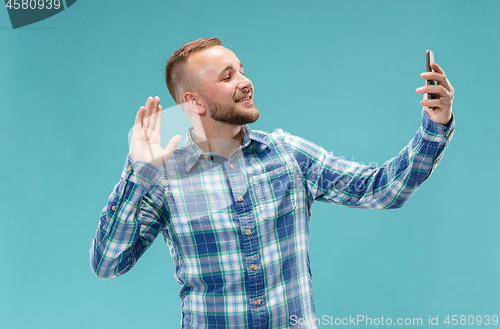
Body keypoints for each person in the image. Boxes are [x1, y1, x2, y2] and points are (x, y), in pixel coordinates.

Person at [90, 38, 455, 328]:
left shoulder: (286, 154)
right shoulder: (165, 175)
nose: (246, 82)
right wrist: (138, 174)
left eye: (242, 71)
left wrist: (435, 125)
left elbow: (380, 189)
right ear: (194, 102)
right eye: (227, 76)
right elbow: (108, 264)